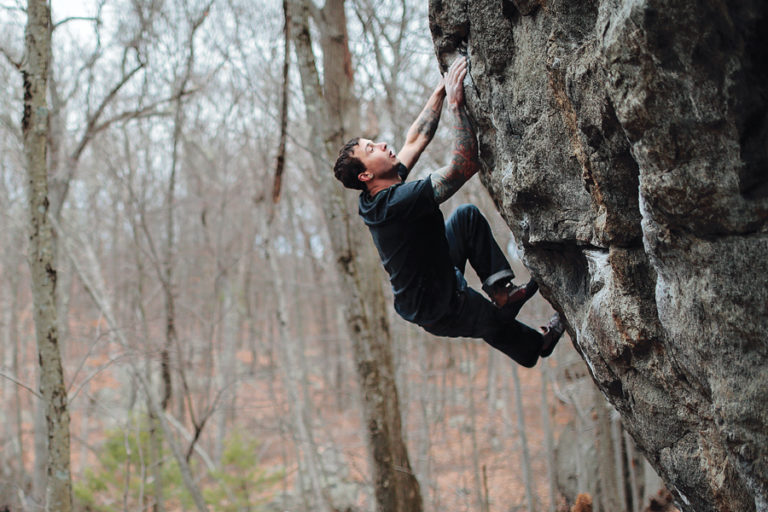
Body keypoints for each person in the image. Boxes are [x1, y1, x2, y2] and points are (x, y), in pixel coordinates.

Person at [332, 56, 564, 367]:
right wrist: (456, 106)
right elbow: (463, 166)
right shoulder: (397, 203)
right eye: (371, 149)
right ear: (365, 176)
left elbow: (416, 139)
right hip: (438, 307)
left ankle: (502, 292)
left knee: (466, 217)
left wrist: (440, 90)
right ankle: (537, 343)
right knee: (496, 323)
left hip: (436, 270)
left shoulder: (378, 192)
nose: (382, 144)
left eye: (373, 142)